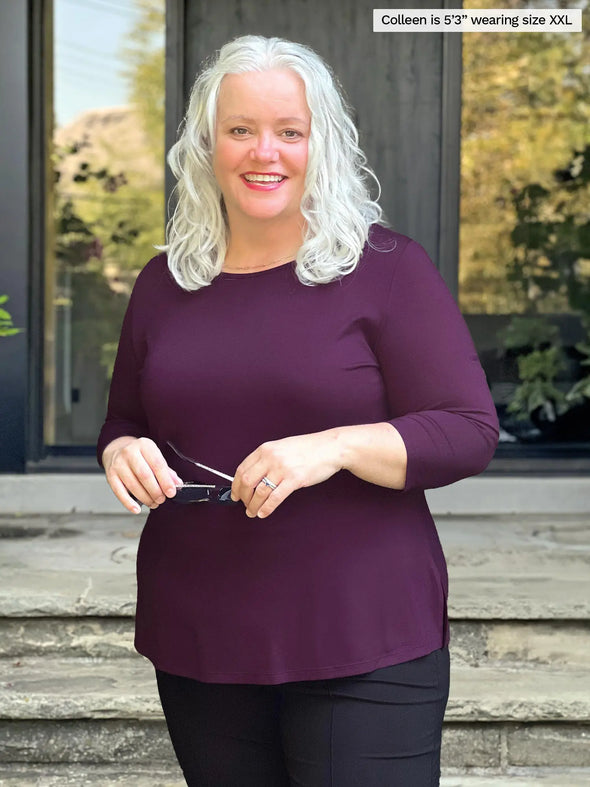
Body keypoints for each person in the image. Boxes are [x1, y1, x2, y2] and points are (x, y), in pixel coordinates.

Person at [97, 34, 499, 787]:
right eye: (240, 129)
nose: (264, 153)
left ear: (323, 146)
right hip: (202, 629)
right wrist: (121, 452)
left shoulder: (385, 269)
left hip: (362, 632)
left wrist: (336, 445)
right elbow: (124, 421)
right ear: (206, 145)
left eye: (290, 131)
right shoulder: (163, 282)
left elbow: (469, 430)